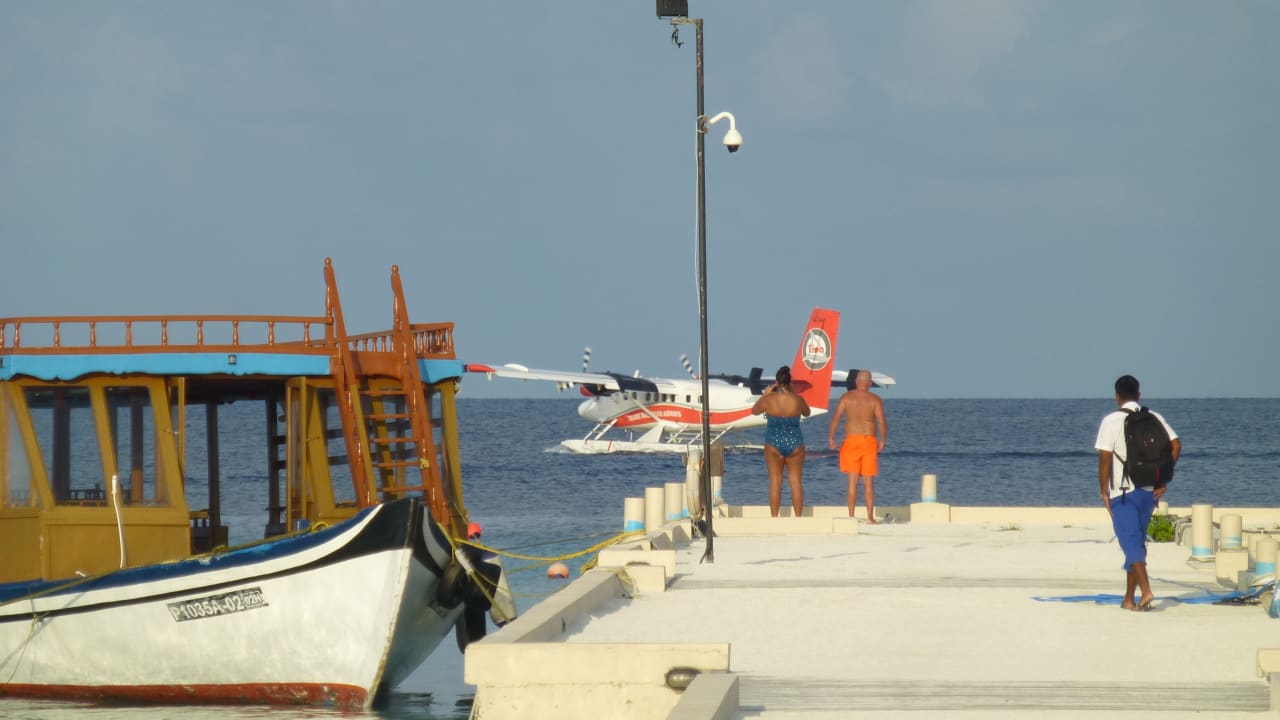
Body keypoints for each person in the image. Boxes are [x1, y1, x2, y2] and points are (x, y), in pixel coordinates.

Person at [1095, 374, 1180, 612]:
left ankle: (1146, 590)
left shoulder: (1111, 421)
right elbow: (1176, 445)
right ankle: (1128, 598)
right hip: (1149, 492)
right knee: (1136, 543)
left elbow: (1104, 459)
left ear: (1117, 396)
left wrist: (1103, 490)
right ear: (1139, 395)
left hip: (1122, 492)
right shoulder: (1154, 417)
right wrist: (1163, 478)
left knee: (1130, 543)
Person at [751, 365, 811, 517]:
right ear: (790, 382)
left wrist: (765, 395)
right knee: (795, 482)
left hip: (773, 443)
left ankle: (774, 517)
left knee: (775, 481)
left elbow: (755, 411)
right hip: (795, 442)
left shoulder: (769, 400)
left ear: (776, 382)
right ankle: (798, 517)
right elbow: (807, 412)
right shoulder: (797, 399)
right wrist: (794, 393)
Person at [828, 369, 887, 522]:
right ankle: (869, 517)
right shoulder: (874, 399)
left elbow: (836, 418)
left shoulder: (846, 397)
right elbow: (881, 421)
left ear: (856, 382)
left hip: (851, 441)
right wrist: (883, 440)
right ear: (869, 383)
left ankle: (852, 516)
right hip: (868, 441)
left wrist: (831, 437)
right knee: (868, 481)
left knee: (852, 481)